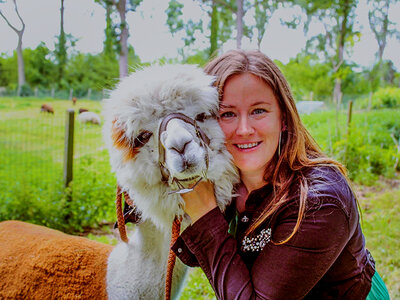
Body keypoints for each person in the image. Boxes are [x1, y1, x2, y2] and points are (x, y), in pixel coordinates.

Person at [171, 49, 390, 299]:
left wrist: (204, 215)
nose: (244, 129)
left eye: (259, 111)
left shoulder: (321, 202)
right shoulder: (227, 182)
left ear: (283, 118)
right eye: (227, 114)